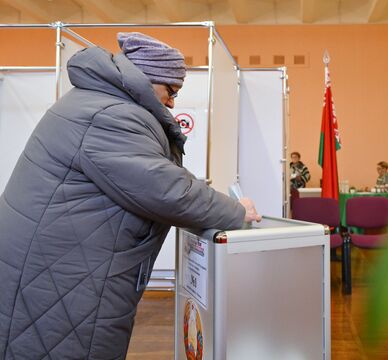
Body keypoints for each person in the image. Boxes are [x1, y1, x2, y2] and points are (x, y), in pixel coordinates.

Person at [0, 32, 260, 359]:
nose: (172, 103)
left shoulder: (98, 102)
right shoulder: (110, 114)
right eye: (171, 90)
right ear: (145, 79)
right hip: (60, 283)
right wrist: (236, 212)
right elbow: (167, 190)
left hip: (57, 273)